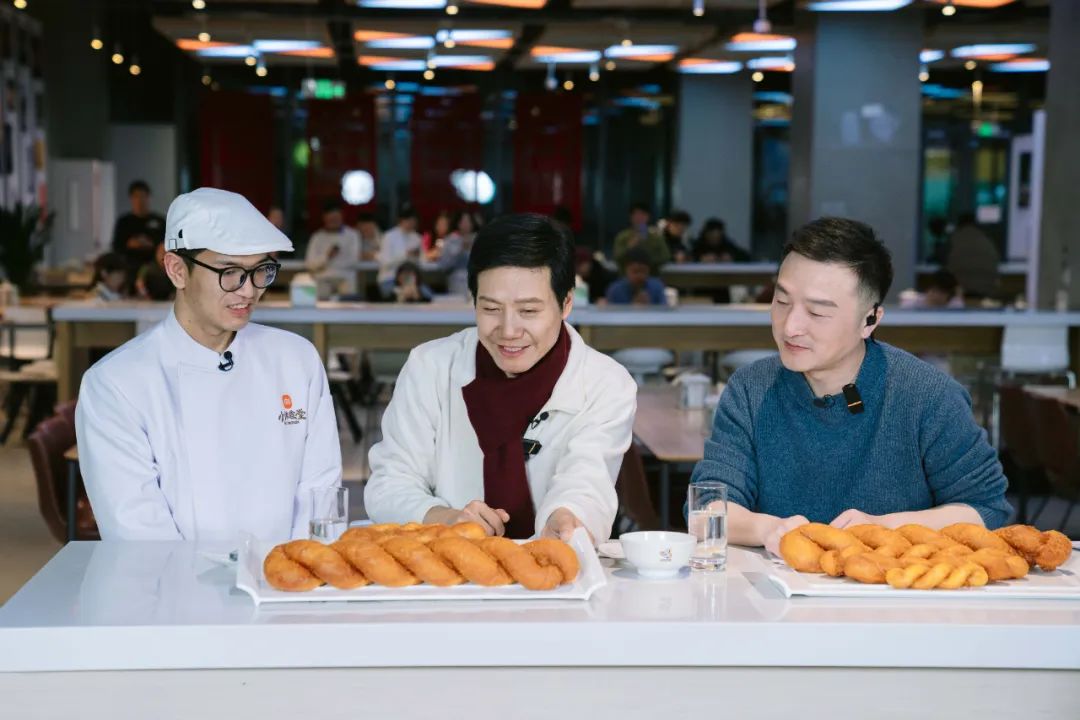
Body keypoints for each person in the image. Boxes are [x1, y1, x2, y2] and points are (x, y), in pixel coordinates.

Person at [689, 217, 1011, 557]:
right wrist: (770, 530)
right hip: (777, 586)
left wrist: (883, 528)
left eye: (817, 312)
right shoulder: (750, 389)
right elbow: (706, 508)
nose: (791, 326)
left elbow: (986, 509)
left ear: (869, 320)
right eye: (782, 302)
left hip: (894, 586)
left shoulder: (928, 395)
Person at [75, 188, 341, 541]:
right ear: (177, 270)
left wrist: (296, 568)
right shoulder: (116, 383)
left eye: (261, 270)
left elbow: (320, 494)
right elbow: (137, 533)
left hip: (286, 572)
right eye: (229, 272)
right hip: (171, 576)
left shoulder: (296, 359)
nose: (248, 291)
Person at [365, 213, 637, 542]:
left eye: (529, 311)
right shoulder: (431, 367)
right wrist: (444, 519)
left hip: (555, 565)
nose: (508, 331)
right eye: (491, 309)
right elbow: (390, 483)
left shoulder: (605, 383)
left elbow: (587, 482)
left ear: (566, 303)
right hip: (446, 564)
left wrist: (566, 517)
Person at [111, 180, 166, 285]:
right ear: (131, 198)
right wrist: (130, 244)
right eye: (136, 196)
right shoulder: (124, 222)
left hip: (154, 267)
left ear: (149, 197)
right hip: (130, 267)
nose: (140, 200)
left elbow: (165, 245)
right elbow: (116, 247)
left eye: (143, 196)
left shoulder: (159, 221)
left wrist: (151, 244)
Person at [305, 199, 362, 295]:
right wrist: (327, 256)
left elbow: (354, 260)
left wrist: (325, 266)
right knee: (319, 292)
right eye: (331, 219)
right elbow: (310, 264)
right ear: (324, 219)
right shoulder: (317, 237)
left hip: (345, 277)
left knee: (348, 292)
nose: (333, 222)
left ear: (342, 217)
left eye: (336, 219)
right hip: (322, 278)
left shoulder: (353, 235)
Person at [945, 213, 1000, 301]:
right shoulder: (986, 239)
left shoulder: (954, 239)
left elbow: (945, 263)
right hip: (986, 289)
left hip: (960, 290)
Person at [378, 204, 422, 296]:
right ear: (401, 221)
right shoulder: (389, 237)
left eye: (413, 221)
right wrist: (405, 255)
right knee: (401, 296)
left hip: (411, 281)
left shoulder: (417, 238)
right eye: (409, 221)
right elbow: (385, 262)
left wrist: (418, 257)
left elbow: (421, 262)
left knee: (426, 295)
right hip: (389, 279)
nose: (411, 224)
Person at [613, 202, 669, 272]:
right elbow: (617, 257)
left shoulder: (656, 237)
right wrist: (629, 247)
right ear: (631, 217)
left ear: (648, 217)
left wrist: (645, 261)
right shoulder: (622, 236)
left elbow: (665, 256)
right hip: (627, 276)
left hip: (651, 274)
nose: (639, 218)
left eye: (643, 214)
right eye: (636, 215)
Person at [439, 210, 479, 297]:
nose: (466, 224)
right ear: (457, 223)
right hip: (456, 280)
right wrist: (460, 250)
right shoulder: (450, 240)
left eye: (468, 221)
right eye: (463, 221)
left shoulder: (478, 239)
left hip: (475, 280)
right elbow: (444, 266)